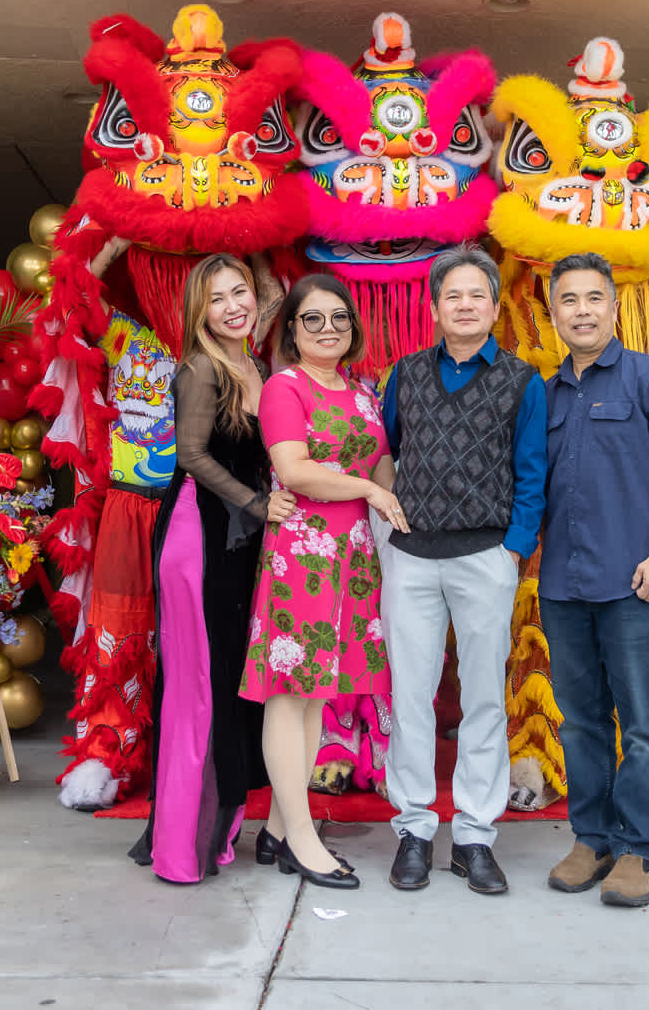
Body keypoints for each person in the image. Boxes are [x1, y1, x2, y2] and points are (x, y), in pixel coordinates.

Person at [377, 245, 546, 897]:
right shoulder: (406, 375)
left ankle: (475, 836)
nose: (466, 305)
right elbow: (388, 450)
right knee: (411, 697)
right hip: (412, 557)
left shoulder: (522, 381)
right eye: (454, 295)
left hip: (485, 557)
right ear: (435, 308)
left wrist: (513, 550)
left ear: (495, 307)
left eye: (478, 295)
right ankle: (415, 830)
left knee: (483, 700)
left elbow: (532, 472)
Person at [538, 251, 649, 909]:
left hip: (638, 583)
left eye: (593, 298)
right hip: (563, 584)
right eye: (568, 300)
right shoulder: (544, 395)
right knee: (580, 722)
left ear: (613, 306)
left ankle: (640, 849)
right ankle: (593, 839)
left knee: (639, 723)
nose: (581, 311)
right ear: (553, 312)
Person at [133, 255, 296, 884]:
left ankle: (211, 828)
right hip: (195, 538)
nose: (234, 307)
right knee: (198, 683)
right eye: (218, 298)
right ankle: (182, 845)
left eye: (241, 293)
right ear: (198, 311)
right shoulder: (201, 368)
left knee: (225, 677)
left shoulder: (255, 365)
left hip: (236, 538)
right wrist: (258, 503)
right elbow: (192, 455)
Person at [241, 274, 405, 889]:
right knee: (291, 693)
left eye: (339, 317)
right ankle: (302, 839)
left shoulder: (362, 391)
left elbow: (382, 465)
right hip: (303, 553)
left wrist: (397, 491)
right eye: (313, 318)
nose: (328, 328)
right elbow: (294, 469)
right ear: (292, 329)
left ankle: (278, 829)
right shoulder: (285, 387)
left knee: (317, 693)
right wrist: (371, 491)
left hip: (353, 555)